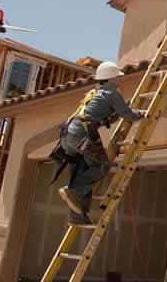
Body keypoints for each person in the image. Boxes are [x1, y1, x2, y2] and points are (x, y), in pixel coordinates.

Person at [58, 61, 145, 226]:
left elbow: (107, 117)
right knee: (101, 165)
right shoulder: (111, 93)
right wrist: (143, 113)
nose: (119, 81)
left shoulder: (96, 93)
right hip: (81, 134)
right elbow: (129, 116)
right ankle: (73, 192)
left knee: (83, 172)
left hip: (68, 135)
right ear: (111, 78)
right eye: (117, 78)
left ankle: (77, 216)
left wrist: (120, 112)